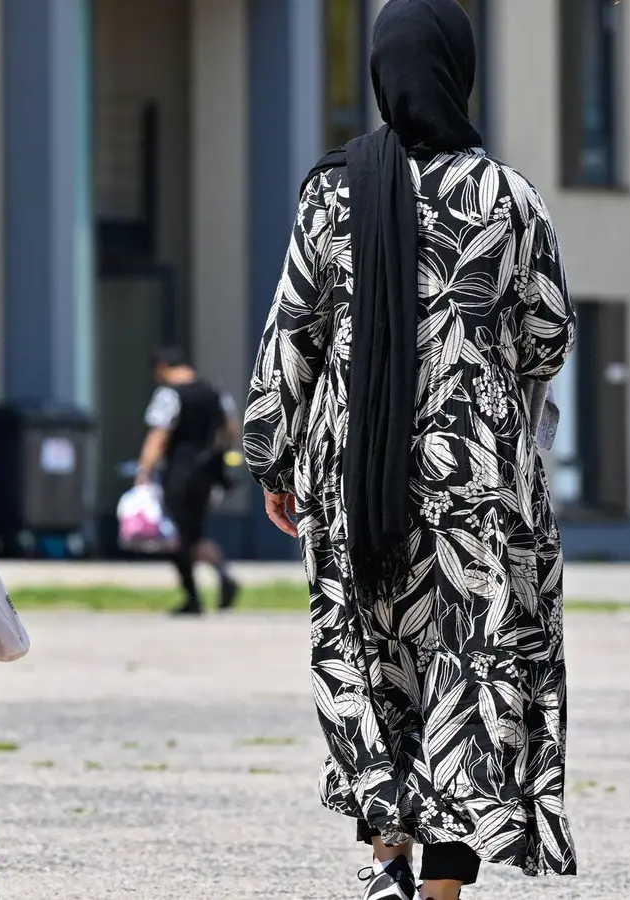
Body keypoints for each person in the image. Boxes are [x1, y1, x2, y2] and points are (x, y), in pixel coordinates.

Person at [242, 3, 577, 898]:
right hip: (477, 471)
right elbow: (548, 336)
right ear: (459, 71)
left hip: (353, 468)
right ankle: (443, 884)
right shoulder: (509, 197)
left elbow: (294, 329)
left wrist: (272, 452)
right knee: (468, 666)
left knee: (366, 649)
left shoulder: (334, 191)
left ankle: (387, 856)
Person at [136, 347, 240, 616]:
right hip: (208, 472)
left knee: (175, 534)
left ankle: (193, 596)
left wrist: (144, 471)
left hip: (179, 472)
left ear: (162, 367)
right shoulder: (216, 392)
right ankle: (222, 576)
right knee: (193, 532)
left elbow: (159, 435)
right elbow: (232, 428)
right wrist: (217, 453)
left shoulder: (170, 395)